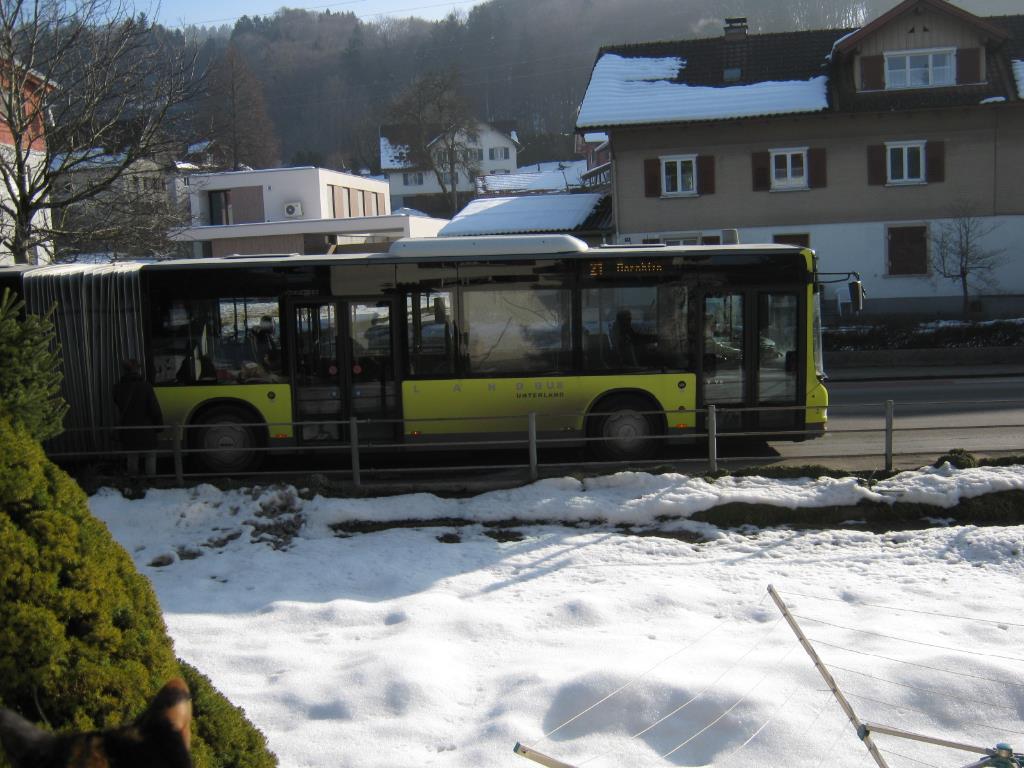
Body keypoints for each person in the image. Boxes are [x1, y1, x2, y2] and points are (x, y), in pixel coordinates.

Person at [113, 359, 164, 477]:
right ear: (137, 370)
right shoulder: (146, 386)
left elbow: (118, 403)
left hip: (128, 428)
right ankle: (150, 480)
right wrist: (159, 426)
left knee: (132, 456)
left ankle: (133, 480)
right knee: (150, 455)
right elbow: (154, 409)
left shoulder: (118, 388)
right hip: (147, 428)